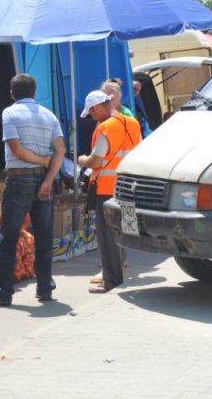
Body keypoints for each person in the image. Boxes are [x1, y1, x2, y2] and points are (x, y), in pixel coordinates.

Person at [0, 74, 65, 306]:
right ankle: (45, 289)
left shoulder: (10, 113)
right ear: (35, 93)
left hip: (19, 181)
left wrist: (40, 161)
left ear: (12, 94)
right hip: (43, 181)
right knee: (44, 238)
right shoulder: (49, 115)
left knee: (8, 237)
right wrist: (48, 178)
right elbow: (61, 150)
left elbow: (15, 149)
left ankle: (2, 292)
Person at [78, 89, 141, 294]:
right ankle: (118, 272)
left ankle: (111, 279)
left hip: (107, 189)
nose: (91, 117)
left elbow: (96, 160)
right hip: (128, 187)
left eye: (91, 113)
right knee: (124, 232)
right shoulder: (132, 123)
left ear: (97, 107)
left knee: (107, 236)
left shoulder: (106, 128)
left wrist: (82, 160)